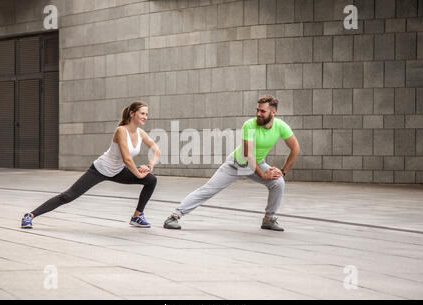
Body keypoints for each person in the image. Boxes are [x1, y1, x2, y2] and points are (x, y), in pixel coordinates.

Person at [163, 94, 299, 231]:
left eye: (262, 111)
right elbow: (248, 155)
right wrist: (263, 175)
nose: (258, 114)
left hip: (257, 163)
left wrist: (282, 171)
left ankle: (268, 219)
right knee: (208, 190)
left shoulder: (281, 126)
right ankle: (174, 216)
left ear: (273, 112)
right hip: (236, 165)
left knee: (278, 182)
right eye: (257, 110)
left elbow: (295, 148)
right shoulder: (249, 125)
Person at [21, 101, 160, 229]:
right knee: (68, 196)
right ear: (132, 113)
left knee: (151, 180)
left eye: (147, 114)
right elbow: (127, 159)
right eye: (142, 113)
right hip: (100, 169)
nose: (145, 117)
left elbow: (156, 150)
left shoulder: (141, 133)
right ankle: (30, 216)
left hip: (117, 171)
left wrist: (149, 166)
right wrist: (138, 173)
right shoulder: (121, 131)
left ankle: (137, 216)